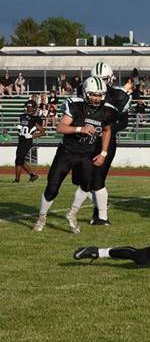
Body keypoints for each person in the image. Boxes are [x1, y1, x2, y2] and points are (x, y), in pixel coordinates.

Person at [33, 77, 116, 233]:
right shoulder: (76, 105)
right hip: (66, 153)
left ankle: (72, 214)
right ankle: (42, 217)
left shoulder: (107, 110)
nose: (97, 98)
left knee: (86, 185)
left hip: (86, 154)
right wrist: (80, 129)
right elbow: (61, 127)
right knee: (52, 187)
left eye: (100, 95)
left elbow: (107, 131)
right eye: (93, 94)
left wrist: (103, 153)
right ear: (85, 93)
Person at [71, 62, 132, 226]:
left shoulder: (119, 96)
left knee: (97, 179)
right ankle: (101, 204)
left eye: (104, 79)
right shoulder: (82, 90)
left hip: (106, 142)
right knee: (79, 179)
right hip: (86, 140)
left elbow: (124, 122)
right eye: (97, 79)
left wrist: (106, 129)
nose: (101, 84)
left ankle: (102, 217)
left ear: (111, 79)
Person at [14, 100, 45, 183]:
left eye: (31, 107)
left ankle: (17, 180)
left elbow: (43, 132)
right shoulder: (22, 116)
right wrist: (20, 129)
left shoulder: (35, 119)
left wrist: (32, 136)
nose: (29, 108)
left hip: (27, 141)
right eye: (28, 107)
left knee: (18, 160)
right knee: (19, 160)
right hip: (21, 140)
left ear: (34, 108)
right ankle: (32, 175)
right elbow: (24, 129)